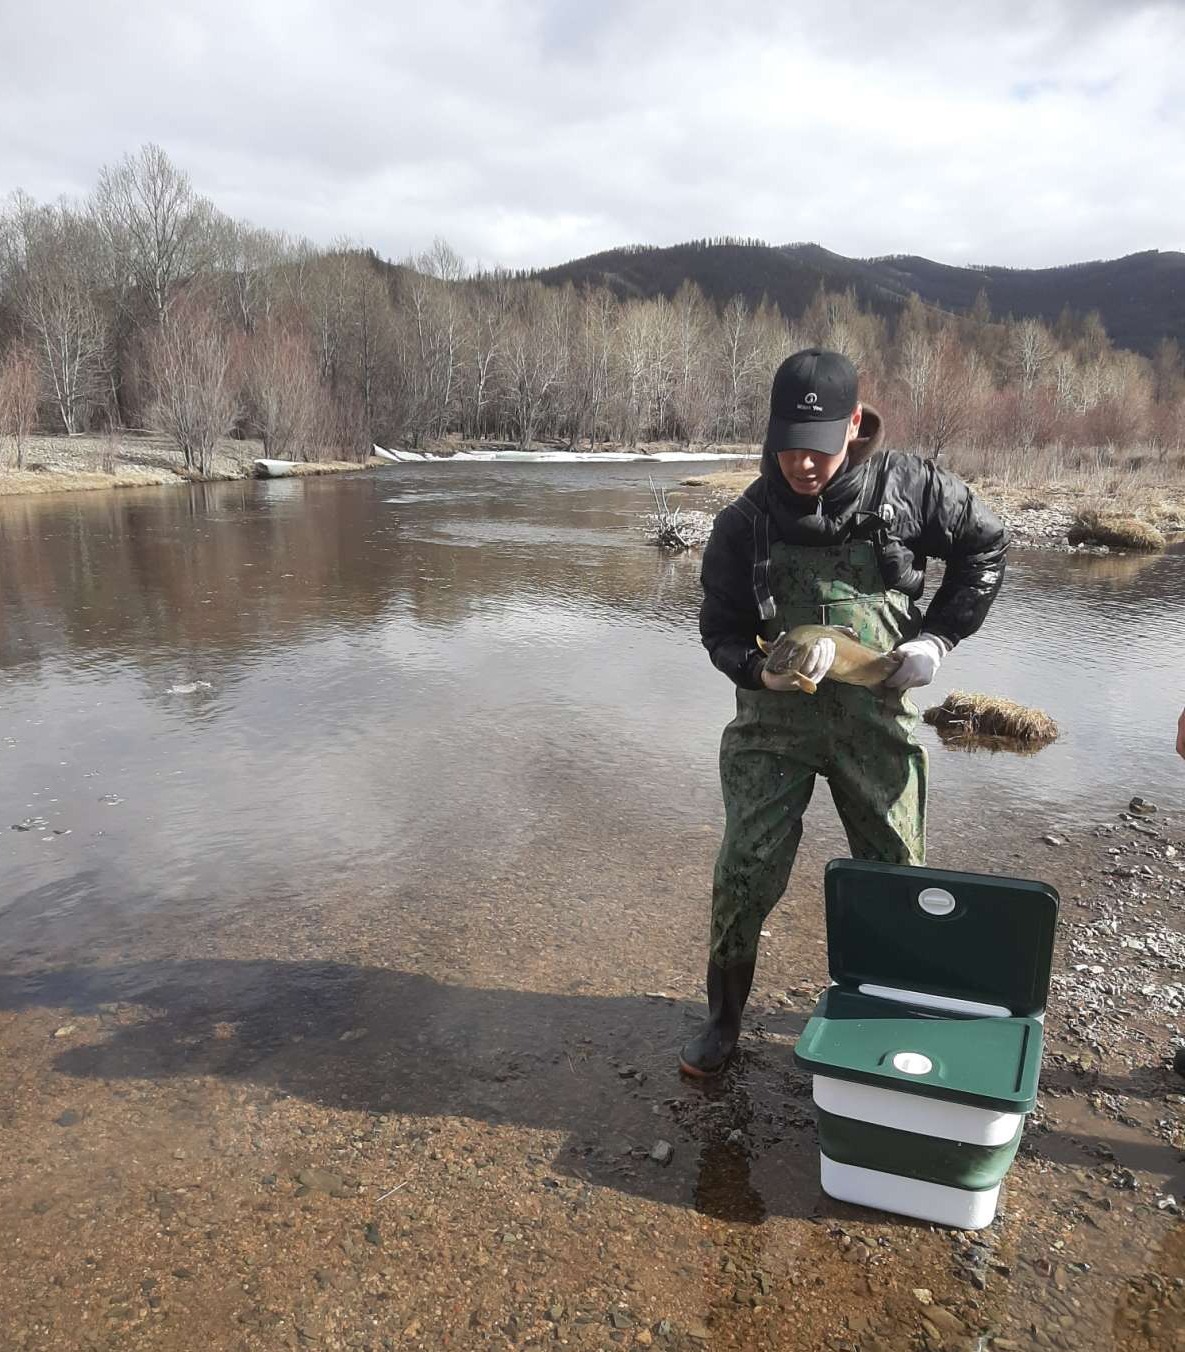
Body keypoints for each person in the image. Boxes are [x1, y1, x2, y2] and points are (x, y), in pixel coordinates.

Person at [680, 348, 1010, 1077]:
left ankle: (888, 1021)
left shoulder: (910, 488)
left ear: (854, 424)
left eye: (820, 449)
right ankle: (722, 1021)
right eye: (788, 449)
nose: (803, 466)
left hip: (878, 717)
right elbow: (719, 630)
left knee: (895, 874)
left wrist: (938, 639)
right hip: (772, 729)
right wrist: (756, 672)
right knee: (743, 870)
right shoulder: (743, 523)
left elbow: (987, 544)